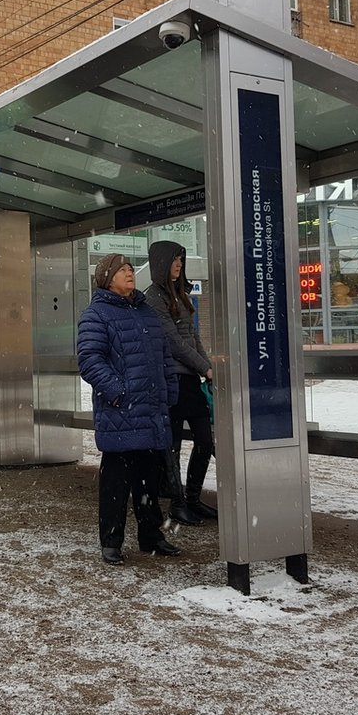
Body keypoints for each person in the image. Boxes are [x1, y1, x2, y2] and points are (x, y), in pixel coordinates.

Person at [77, 252, 181, 566]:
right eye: (122, 270)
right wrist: (119, 393)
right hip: (120, 413)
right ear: (107, 278)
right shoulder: (96, 315)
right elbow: (90, 360)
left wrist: (170, 390)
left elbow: (165, 357)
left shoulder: (147, 313)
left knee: (148, 479)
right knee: (116, 483)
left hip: (150, 412)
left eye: (130, 268)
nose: (129, 273)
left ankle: (152, 536)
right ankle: (111, 541)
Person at [145, 241, 218, 524]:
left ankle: (191, 499)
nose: (179, 264)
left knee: (204, 441)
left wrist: (208, 366)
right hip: (171, 379)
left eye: (181, 260)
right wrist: (204, 368)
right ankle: (177, 503)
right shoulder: (154, 297)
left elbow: (193, 337)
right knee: (171, 445)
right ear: (162, 262)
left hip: (189, 380)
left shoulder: (180, 293)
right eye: (174, 260)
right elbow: (173, 343)